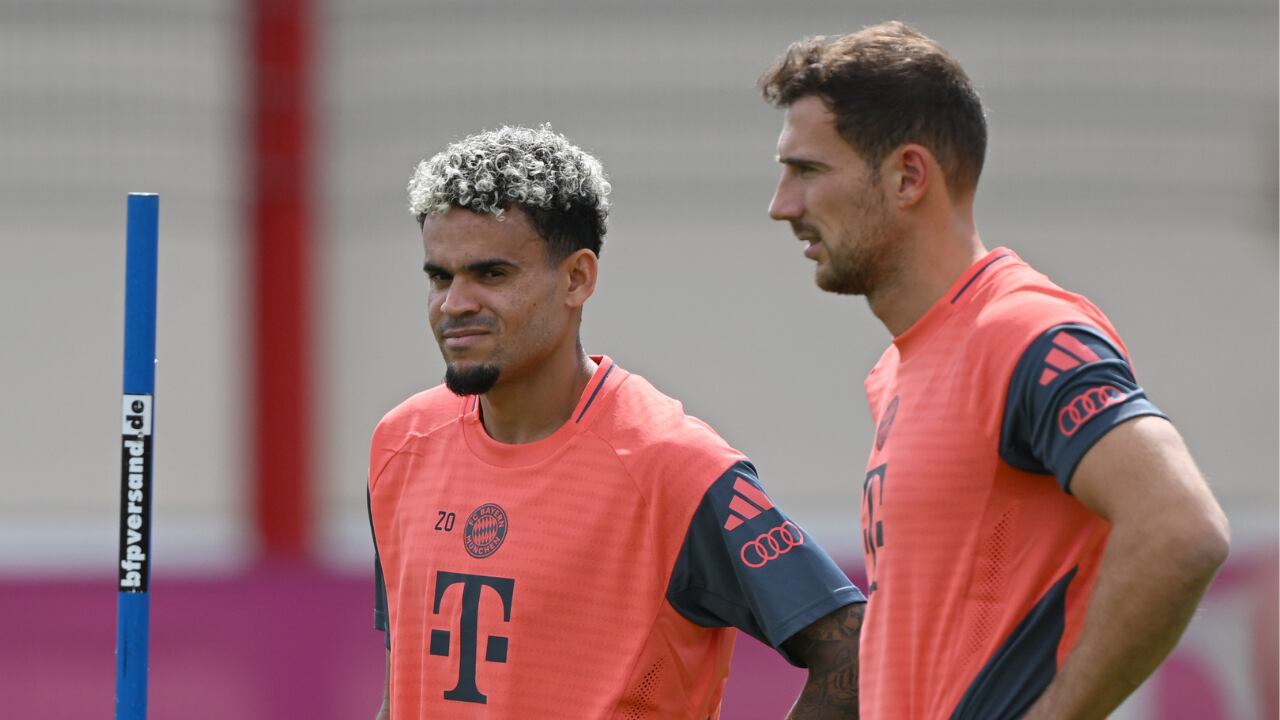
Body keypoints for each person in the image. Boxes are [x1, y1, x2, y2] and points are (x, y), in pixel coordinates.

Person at [758, 21, 1230, 720]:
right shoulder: (899, 370)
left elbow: (1181, 528)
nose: (782, 205)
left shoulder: (1022, 331)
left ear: (909, 176)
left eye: (808, 171)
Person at [367, 125, 865, 719]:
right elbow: (407, 683)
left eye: (491, 274)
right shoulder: (401, 445)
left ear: (577, 278)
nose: (455, 304)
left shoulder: (676, 466)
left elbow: (853, 652)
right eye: (440, 277)